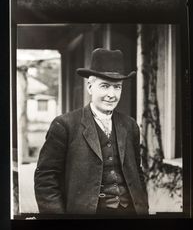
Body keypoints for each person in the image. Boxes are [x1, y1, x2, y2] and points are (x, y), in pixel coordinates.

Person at [34, 48, 149, 217]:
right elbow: (45, 179)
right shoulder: (64, 125)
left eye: (117, 87)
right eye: (104, 86)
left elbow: (137, 173)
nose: (112, 94)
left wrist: (143, 208)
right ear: (90, 86)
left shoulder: (130, 126)